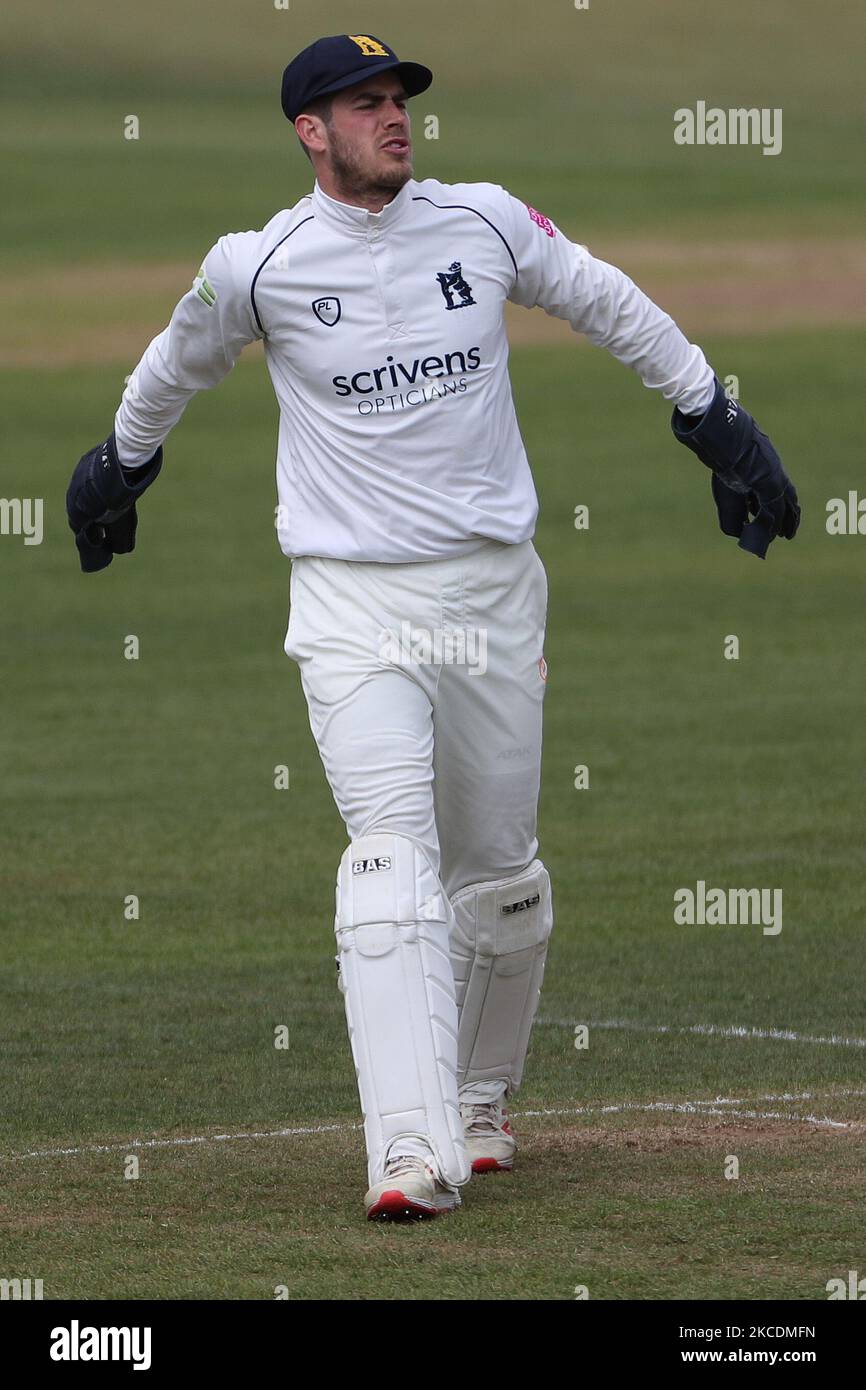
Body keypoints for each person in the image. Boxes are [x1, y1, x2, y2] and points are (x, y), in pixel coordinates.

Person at [66, 33, 800, 1221]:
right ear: (310, 130)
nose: (393, 117)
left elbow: (606, 300)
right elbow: (170, 367)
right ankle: (406, 1152)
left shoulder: (486, 222)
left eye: (398, 97)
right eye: (364, 104)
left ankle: (477, 1104)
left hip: (493, 595)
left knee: (500, 883)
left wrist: (713, 416)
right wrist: (115, 468)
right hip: (352, 606)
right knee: (388, 863)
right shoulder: (258, 265)